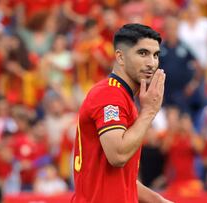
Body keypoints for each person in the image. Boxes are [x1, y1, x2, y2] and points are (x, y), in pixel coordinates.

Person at [72, 24, 172, 203]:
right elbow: (117, 155)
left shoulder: (123, 97)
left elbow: (122, 179)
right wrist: (149, 111)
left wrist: (159, 201)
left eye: (155, 55)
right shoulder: (109, 95)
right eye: (143, 53)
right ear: (120, 57)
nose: (151, 63)